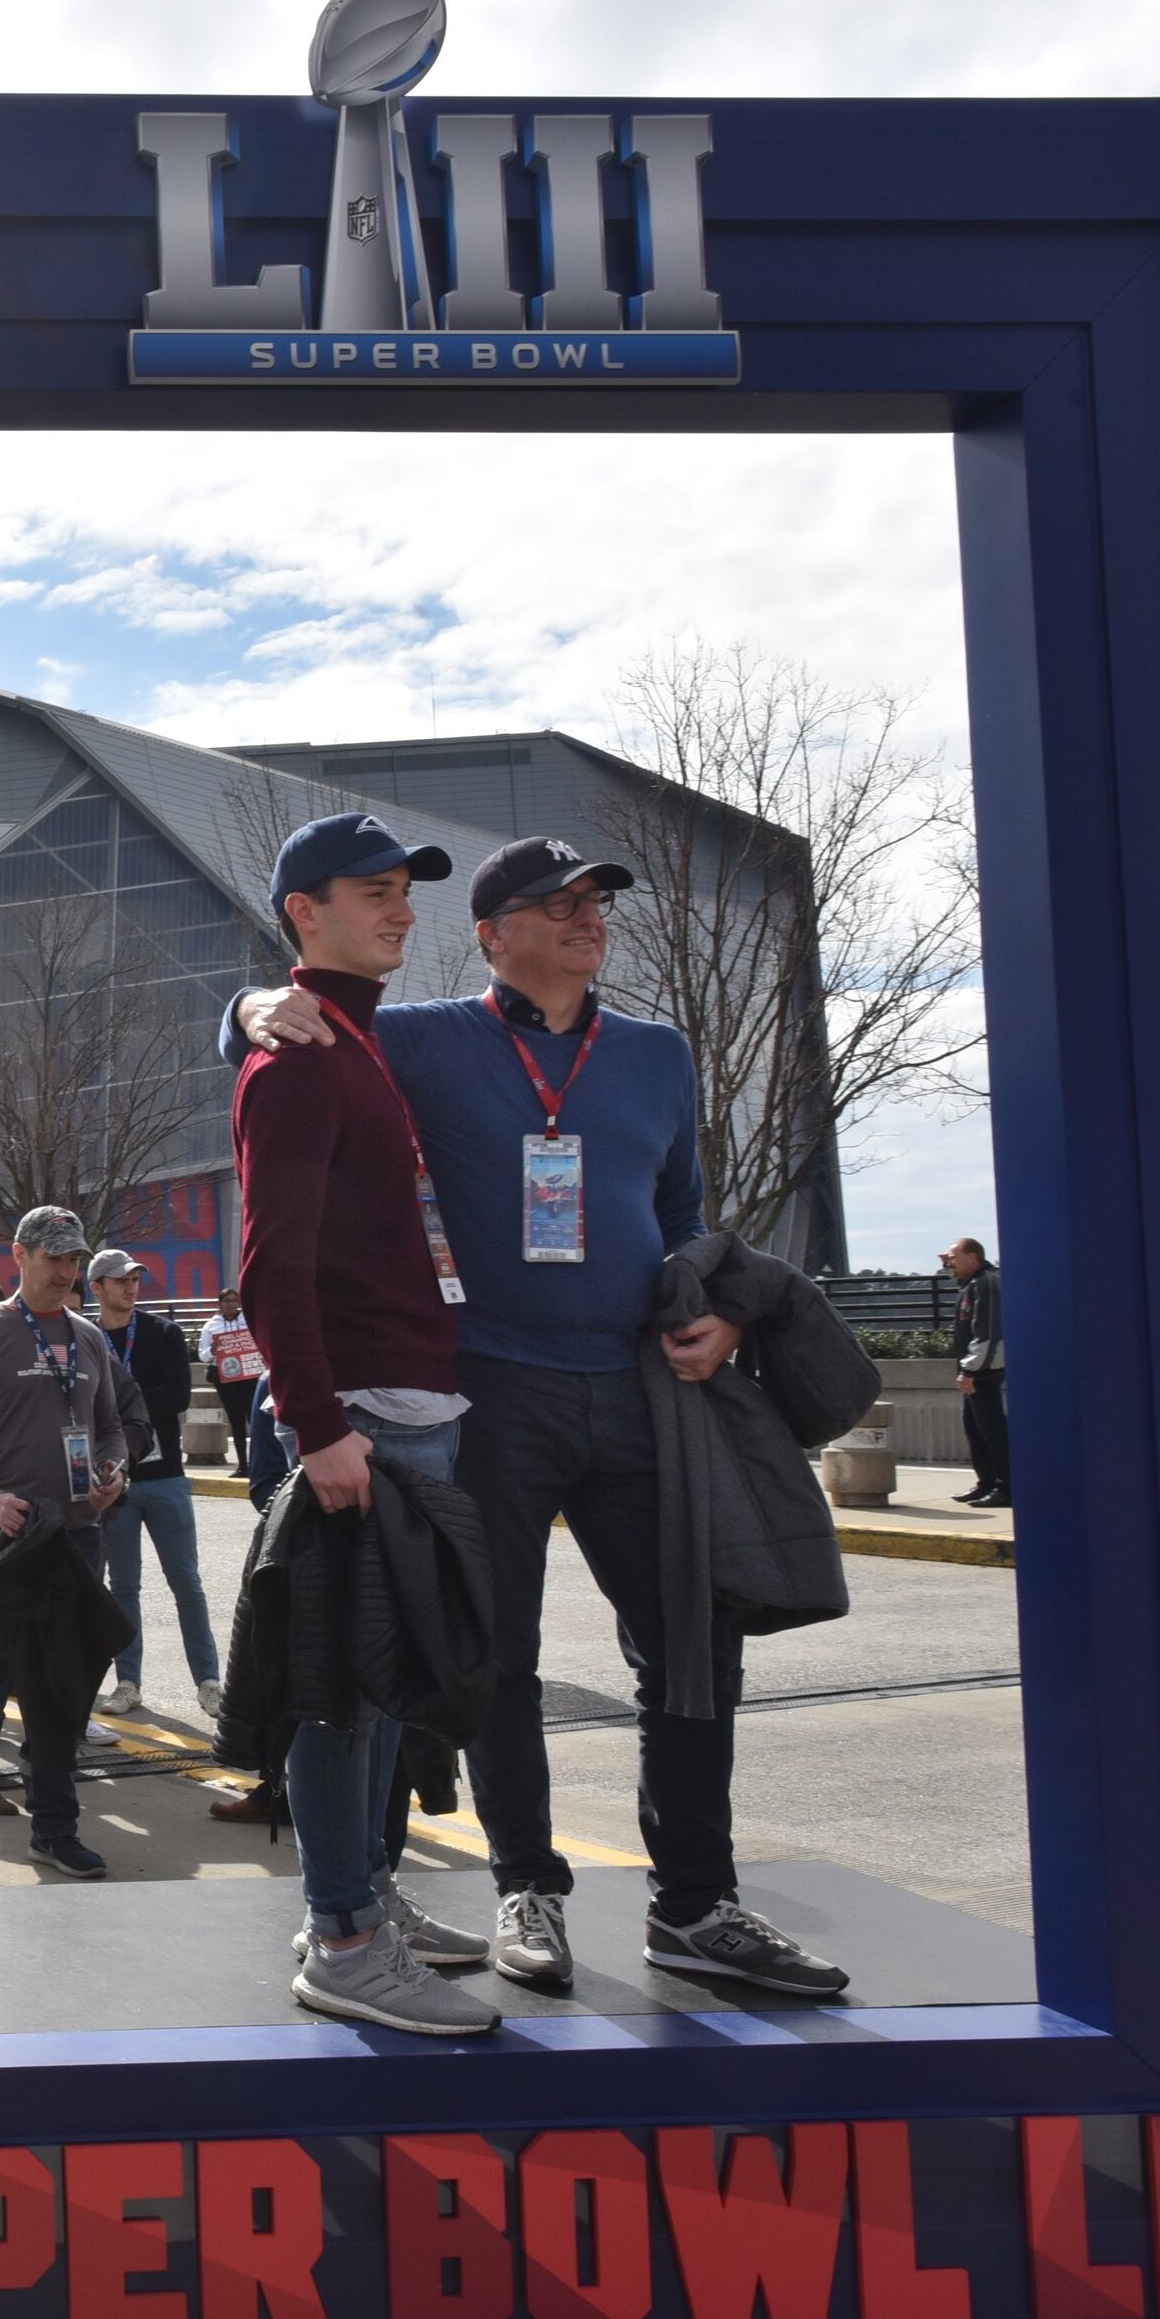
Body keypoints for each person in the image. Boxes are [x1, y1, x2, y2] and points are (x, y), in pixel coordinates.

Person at [229, 829, 849, 2002]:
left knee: (687, 1642)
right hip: (491, 1389)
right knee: (488, 1650)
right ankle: (527, 1886)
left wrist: (713, 1311)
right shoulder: (420, 1039)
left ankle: (696, 1903)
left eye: (595, 902)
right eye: (554, 902)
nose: (585, 917)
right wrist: (255, 1003)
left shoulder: (659, 1054)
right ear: (494, 934)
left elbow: (685, 1211)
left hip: (641, 1387)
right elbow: (304, 1031)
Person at [228, 815, 500, 2035]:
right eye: (372, 892)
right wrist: (318, 1422)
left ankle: (366, 1894)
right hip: (363, 1421)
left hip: (416, 1401)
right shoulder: (296, 1058)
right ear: (305, 913)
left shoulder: (362, 1041)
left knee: (386, 1684)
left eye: (406, 893)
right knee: (341, 1689)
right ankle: (341, 1932)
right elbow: (268, 1269)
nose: (399, 910)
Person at [0, 1205, 131, 1885]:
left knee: (62, 1688)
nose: (69, 1273)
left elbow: (110, 1429)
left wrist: (112, 1473)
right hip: (6, 1535)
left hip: (77, 1533)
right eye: (56, 1260)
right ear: (19, 1254)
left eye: (76, 1261)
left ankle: (55, 1827)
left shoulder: (88, 1337)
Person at [83, 1253, 217, 1716]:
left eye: (136, 1279)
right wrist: (135, 1405)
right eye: (121, 1280)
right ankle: (128, 1682)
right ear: (96, 1287)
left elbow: (177, 1396)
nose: (131, 1287)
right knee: (123, 1587)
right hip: (113, 1481)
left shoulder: (163, 1333)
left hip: (165, 1478)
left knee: (187, 1582)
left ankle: (209, 1680)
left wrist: (119, 1405)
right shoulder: (86, 1338)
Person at [946, 1236, 1010, 1507]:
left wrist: (970, 1369)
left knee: (993, 1431)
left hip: (984, 1371)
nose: (950, 1262)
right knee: (975, 1431)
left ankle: (1006, 1487)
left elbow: (988, 1332)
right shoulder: (970, 1285)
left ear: (973, 1257)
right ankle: (986, 1483)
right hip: (974, 1371)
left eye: (955, 1257)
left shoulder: (987, 1284)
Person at [203, 1287, 261, 1457]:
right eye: (227, 1301)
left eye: (234, 1300)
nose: (230, 1304)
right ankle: (242, 1464)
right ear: (219, 1304)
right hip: (225, 1378)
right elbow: (203, 1355)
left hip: (250, 1375)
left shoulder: (249, 1321)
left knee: (254, 1418)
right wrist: (212, 1350)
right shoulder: (211, 1326)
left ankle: (257, 1461)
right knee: (236, 1421)